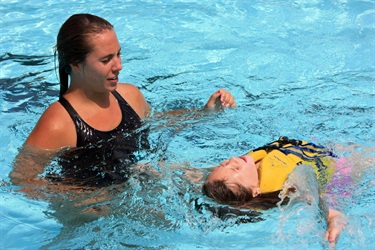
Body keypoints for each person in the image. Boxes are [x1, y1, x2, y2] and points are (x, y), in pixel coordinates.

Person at [9, 13, 236, 188]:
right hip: (93, 217)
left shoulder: (129, 95)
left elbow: (153, 122)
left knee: (225, 181)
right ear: (76, 64)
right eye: (107, 59)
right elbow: (22, 181)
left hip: (143, 184)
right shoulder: (59, 122)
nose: (119, 66)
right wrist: (85, 197)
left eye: (118, 54)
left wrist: (204, 113)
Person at [202, 137, 348, 247]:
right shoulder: (289, 188)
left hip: (311, 148)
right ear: (255, 191)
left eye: (224, 163)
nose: (234, 159)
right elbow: (333, 214)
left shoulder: (228, 182)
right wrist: (335, 226)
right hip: (341, 174)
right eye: (236, 168)